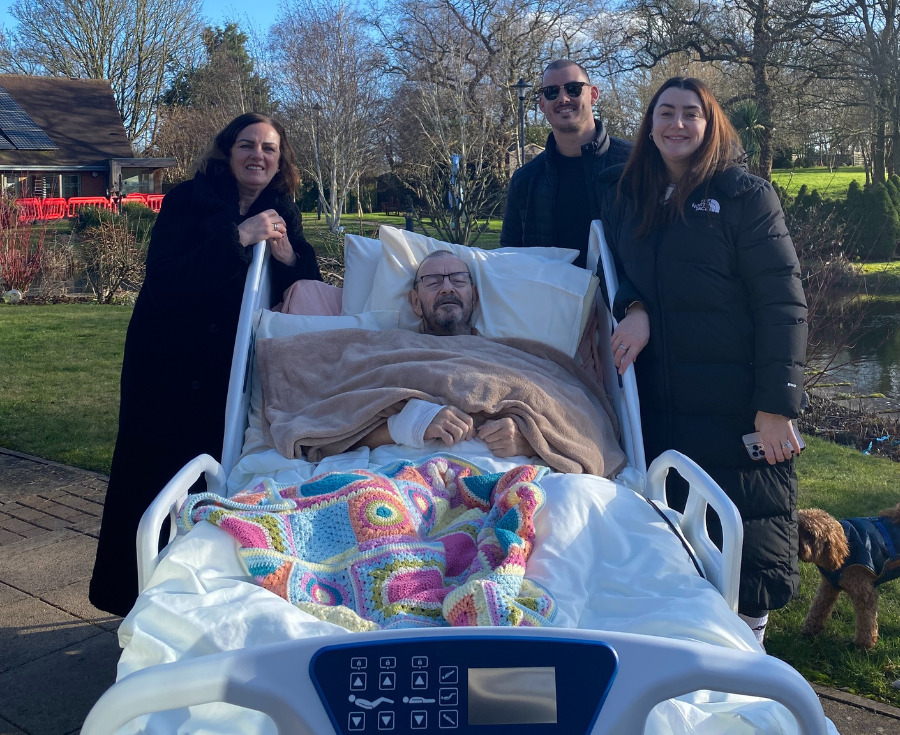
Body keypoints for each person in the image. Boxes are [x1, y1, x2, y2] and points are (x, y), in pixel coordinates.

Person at [90, 113, 322, 616]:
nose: (257, 155)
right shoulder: (186, 201)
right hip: (167, 361)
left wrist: (286, 256)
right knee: (152, 475)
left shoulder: (283, 208)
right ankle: (132, 599)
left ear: (281, 162)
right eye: (247, 144)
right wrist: (238, 237)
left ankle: (196, 603)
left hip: (229, 370)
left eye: (269, 148)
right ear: (227, 150)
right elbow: (166, 279)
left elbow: (307, 287)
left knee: (213, 480)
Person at [602, 77, 808, 646]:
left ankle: (748, 671)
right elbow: (616, 276)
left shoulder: (745, 197)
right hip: (664, 412)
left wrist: (775, 406)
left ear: (710, 123)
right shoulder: (630, 197)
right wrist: (635, 306)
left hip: (736, 409)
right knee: (679, 555)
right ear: (649, 125)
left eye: (690, 113)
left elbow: (782, 303)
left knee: (746, 560)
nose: (677, 124)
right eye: (665, 113)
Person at [353, 250, 535, 458]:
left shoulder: (515, 356)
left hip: (503, 475)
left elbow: (570, 422)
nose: (447, 288)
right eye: (433, 282)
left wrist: (528, 441)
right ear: (415, 302)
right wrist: (411, 423)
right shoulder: (388, 350)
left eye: (458, 281)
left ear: (474, 297)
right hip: (396, 474)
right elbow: (334, 428)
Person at [500, 60, 632, 269]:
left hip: (624, 301)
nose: (563, 98)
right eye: (551, 92)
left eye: (573, 89)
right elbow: (510, 256)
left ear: (593, 95)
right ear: (542, 105)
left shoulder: (635, 164)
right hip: (551, 300)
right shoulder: (524, 181)